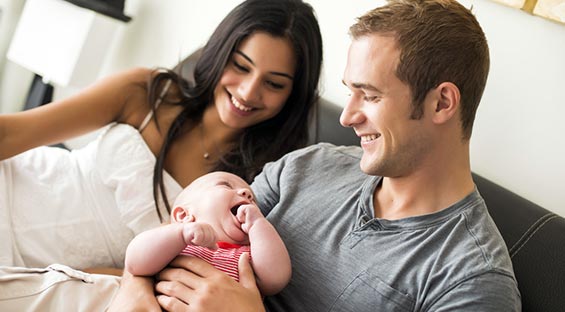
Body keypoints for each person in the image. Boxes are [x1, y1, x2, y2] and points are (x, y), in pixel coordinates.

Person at [133, 0, 522, 311]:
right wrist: (131, 293)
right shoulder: (310, 165)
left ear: (442, 103)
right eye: (349, 91)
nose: (348, 116)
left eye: (369, 96)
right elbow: (183, 242)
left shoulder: (471, 280)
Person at [0, 0, 322, 271]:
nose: (248, 92)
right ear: (221, 51)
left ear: (293, 95)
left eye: (274, 83)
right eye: (240, 65)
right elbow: (13, 133)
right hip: (15, 191)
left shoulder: (254, 188)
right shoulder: (148, 93)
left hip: (60, 281)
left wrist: (72, 279)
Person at [124, 171, 291, 296]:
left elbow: (276, 279)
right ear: (184, 215)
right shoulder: (174, 244)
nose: (246, 194)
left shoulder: (249, 256)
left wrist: (258, 224)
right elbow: (134, 263)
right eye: (226, 185)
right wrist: (181, 234)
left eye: (253, 199)